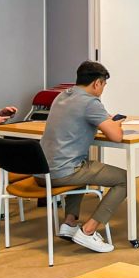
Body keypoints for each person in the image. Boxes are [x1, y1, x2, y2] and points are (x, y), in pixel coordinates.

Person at [38, 61, 127, 253]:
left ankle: (69, 223)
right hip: (62, 172)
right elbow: (116, 137)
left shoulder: (62, 95)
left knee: (83, 165)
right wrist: (117, 124)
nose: (102, 89)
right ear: (97, 83)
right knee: (124, 179)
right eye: (103, 85)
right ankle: (88, 231)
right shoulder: (90, 102)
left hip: (41, 170)